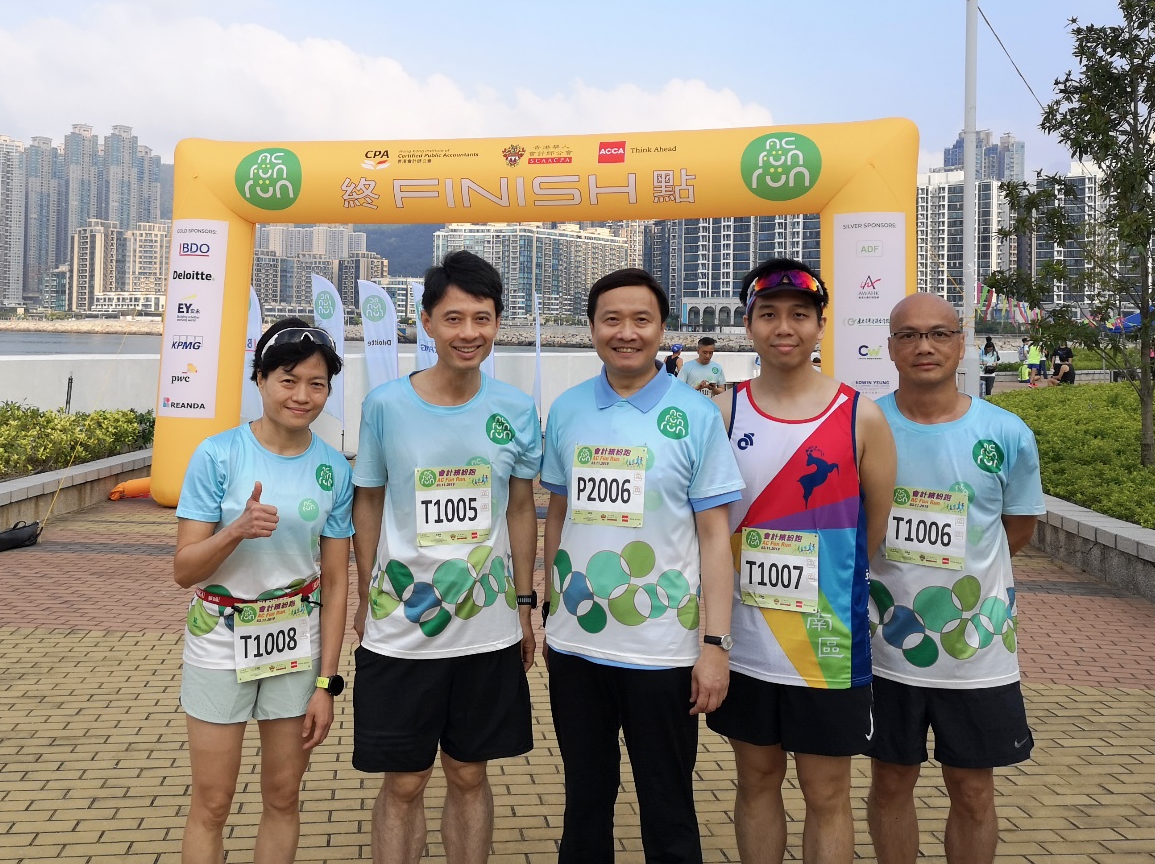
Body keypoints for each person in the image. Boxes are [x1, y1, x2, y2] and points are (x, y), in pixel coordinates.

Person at [541, 268, 745, 864]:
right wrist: (551, 603)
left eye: (641, 320)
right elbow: (560, 512)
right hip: (577, 644)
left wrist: (715, 644)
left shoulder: (697, 415)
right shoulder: (569, 409)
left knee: (668, 801)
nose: (625, 332)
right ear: (592, 328)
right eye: (612, 319)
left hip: (664, 649)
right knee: (585, 797)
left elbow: (714, 537)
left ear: (662, 330)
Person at [351, 251, 541, 864]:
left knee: (468, 776)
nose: (468, 333)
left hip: (486, 630)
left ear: (497, 323)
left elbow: (520, 510)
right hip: (403, 628)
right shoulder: (384, 406)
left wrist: (524, 606)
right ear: (426, 322)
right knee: (404, 783)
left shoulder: (514, 408)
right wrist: (363, 597)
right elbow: (369, 506)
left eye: (481, 319)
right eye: (453, 318)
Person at [705, 259, 896, 864]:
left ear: (819, 326)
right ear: (749, 326)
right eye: (768, 315)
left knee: (827, 792)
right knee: (756, 781)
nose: (783, 327)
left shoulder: (860, 416)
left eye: (798, 315)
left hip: (827, 645)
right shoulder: (721, 412)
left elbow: (871, 536)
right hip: (746, 641)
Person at [866, 293, 1045, 864]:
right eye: (910, 335)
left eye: (939, 334)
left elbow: (1015, 528)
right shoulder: (863, 426)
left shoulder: (1007, 432)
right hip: (883, 646)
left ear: (961, 343)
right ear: (891, 347)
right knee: (891, 783)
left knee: (972, 791)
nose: (925, 346)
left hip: (976, 650)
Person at [174, 319, 352, 864]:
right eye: (288, 379)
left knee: (282, 795)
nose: (302, 395)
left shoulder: (332, 469)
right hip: (219, 641)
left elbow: (338, 581)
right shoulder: (217, 455)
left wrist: (326, 681)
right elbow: (184, 569)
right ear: (260, 379)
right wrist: (235, 531)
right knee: (213, 800)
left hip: (294, 644)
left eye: (316, 383)